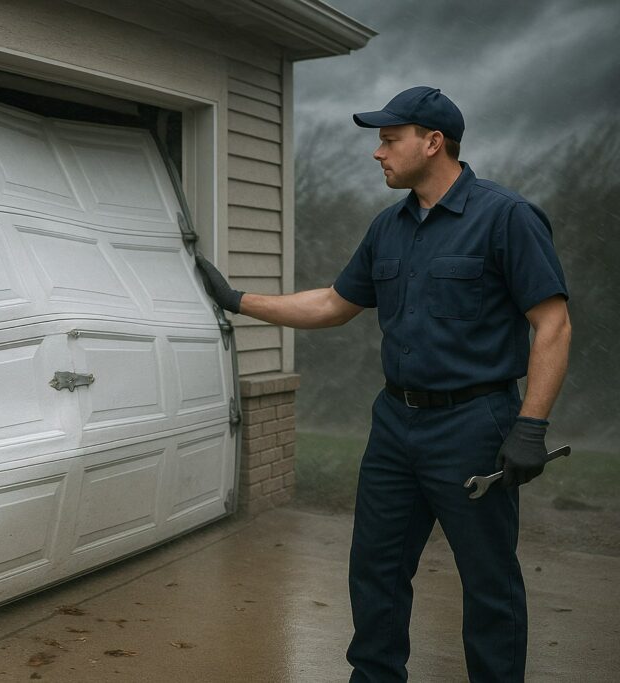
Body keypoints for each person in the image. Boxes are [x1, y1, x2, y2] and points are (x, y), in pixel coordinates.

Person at [197, 86, 571, 682]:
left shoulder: (506, 217)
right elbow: (334, 304)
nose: (378, 152)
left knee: (488, 580)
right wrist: (240, 301)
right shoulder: (388, 228)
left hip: (473, 424)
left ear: (433, 142)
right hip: (396, 425)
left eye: (389, 139)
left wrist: (531, 425)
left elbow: (552, 322)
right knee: (376, 568)